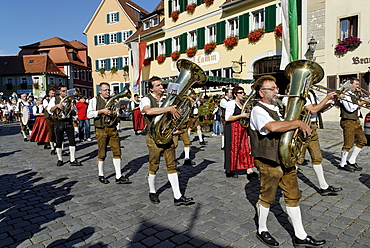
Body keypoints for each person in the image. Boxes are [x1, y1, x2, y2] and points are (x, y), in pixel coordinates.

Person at [249, 75, 325, 247]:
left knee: (293, 195)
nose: (277, 91)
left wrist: (297, 130)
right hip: (268, 160)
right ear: (262, 93)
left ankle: (300, 235)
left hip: (285, 158)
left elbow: (285, 129)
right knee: (267, 197)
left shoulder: (278, 109)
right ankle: (262, 229)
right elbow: (272, 127)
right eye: (273, 89)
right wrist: (297, 122)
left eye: (276, 88)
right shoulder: (258, 110)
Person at [140, 76, 194, 206]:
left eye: (161, 84)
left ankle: (178, 196)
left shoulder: (167, 99)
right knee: (154, 165)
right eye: (157, 85)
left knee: (172, 165)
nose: (161, 87)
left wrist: (175, 129)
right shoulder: (146, 99)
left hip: (168, 136)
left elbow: (173, 117)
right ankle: (152, 192)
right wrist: (168, 108)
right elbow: (149, 111)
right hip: (153, 138)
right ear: (152, 88)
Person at [283, 88, 343, 196]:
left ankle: (324, 187)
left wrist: (332, 102)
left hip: (313, 128)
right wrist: (326, 98)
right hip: (303, 129)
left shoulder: (312, 93)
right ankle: (288, 186)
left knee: (317, 157)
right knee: (297, 159)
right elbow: (312, 110)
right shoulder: (298, 93)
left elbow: (318, 109)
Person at [87, 82, 130, 184]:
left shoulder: (113, 100)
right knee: (102, 152)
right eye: (105, 90)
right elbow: (89, 114)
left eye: (109, 90)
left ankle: (118, 175)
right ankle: (101, 174)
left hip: (112, 128)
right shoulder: (94, 100)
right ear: (100, 91)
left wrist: (120, 110)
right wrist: (101, 111)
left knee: (117, 151)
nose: (108, 92)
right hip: (101, 129)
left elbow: (118, 114)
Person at [224, 86, 256, 179]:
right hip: (233, 129)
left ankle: (249, 169)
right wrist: (241, 115)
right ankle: (229, 169)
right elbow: (227, 118)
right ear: (235, 94)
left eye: (243, 92)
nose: (243, 94)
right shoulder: (231, 103)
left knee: (245, 148)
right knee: (233, 149)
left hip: (242, 128)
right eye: (240, 93)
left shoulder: (242, 103)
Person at [338, 78, 369, 172]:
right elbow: (350, 109)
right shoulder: (345, 95)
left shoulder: (353, 95)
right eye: (356, 84)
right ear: (350, 84)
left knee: (362, 141)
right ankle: (342, 164)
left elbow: (357, 107)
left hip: (356, 121)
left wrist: (362, 101)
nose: (358, 86)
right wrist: (362, 102)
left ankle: (352, 160)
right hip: (348, 121)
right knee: (349, 143)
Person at [49, 85, 81, 167]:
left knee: (72, 140)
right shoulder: (54, 99)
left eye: (66, 91)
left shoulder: (70, 100)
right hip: (59, 121)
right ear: (59, 91)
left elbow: (75, 113)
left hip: (68, 121)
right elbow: (50, 110)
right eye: (63, 91)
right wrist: (56, 106)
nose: (65, 93)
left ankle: (72, 159)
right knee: (59, 141)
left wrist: (72, 109)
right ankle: (60, 159)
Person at [43, 89, 57, 155]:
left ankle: (59, 147)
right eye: (52, 93)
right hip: (49, 118)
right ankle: (52, 148)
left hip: (57, 117)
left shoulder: (57, 99)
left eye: (54, 93)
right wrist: (54, 107)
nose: (53, 95)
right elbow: (46, 107)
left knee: (58, 133)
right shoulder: (46, 100)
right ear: (49, 94)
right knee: (51, 132)